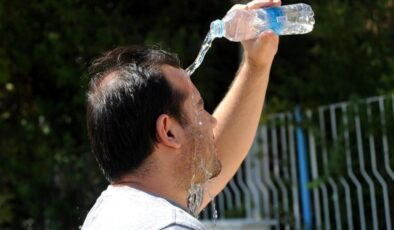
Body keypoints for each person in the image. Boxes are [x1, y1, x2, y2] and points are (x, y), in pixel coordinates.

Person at [81, 0, 280, 229]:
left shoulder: (110, 212)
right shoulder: (171, 225)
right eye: (198, 107)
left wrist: (257, 64)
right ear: (168, 131)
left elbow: (218, 151)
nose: (211, 120)